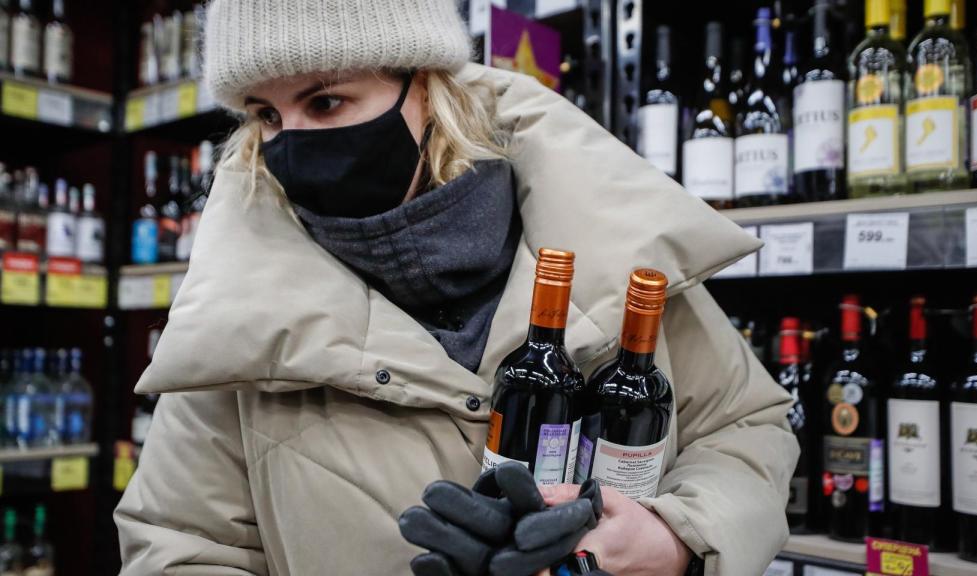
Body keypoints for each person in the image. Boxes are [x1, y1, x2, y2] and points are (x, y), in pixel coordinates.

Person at [114, 1, 799, 575]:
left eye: (326, 100)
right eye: (265, 115)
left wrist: (675, 536)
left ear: (429, 89)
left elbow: (745, 428)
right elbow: (180, 546)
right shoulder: (235, 321)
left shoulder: (613, 247)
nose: (291, 143)